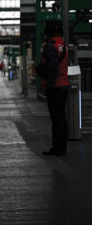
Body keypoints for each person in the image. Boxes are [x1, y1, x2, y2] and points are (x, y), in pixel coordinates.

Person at [40, 19, 69, 156]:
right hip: (64, 85)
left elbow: (52, 68)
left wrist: (48, 88)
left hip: (55, 87)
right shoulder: (63, 44)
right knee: (61, 117)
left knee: (56, 119)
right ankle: (62, 147)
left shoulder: (50, 46)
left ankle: (57, 148)